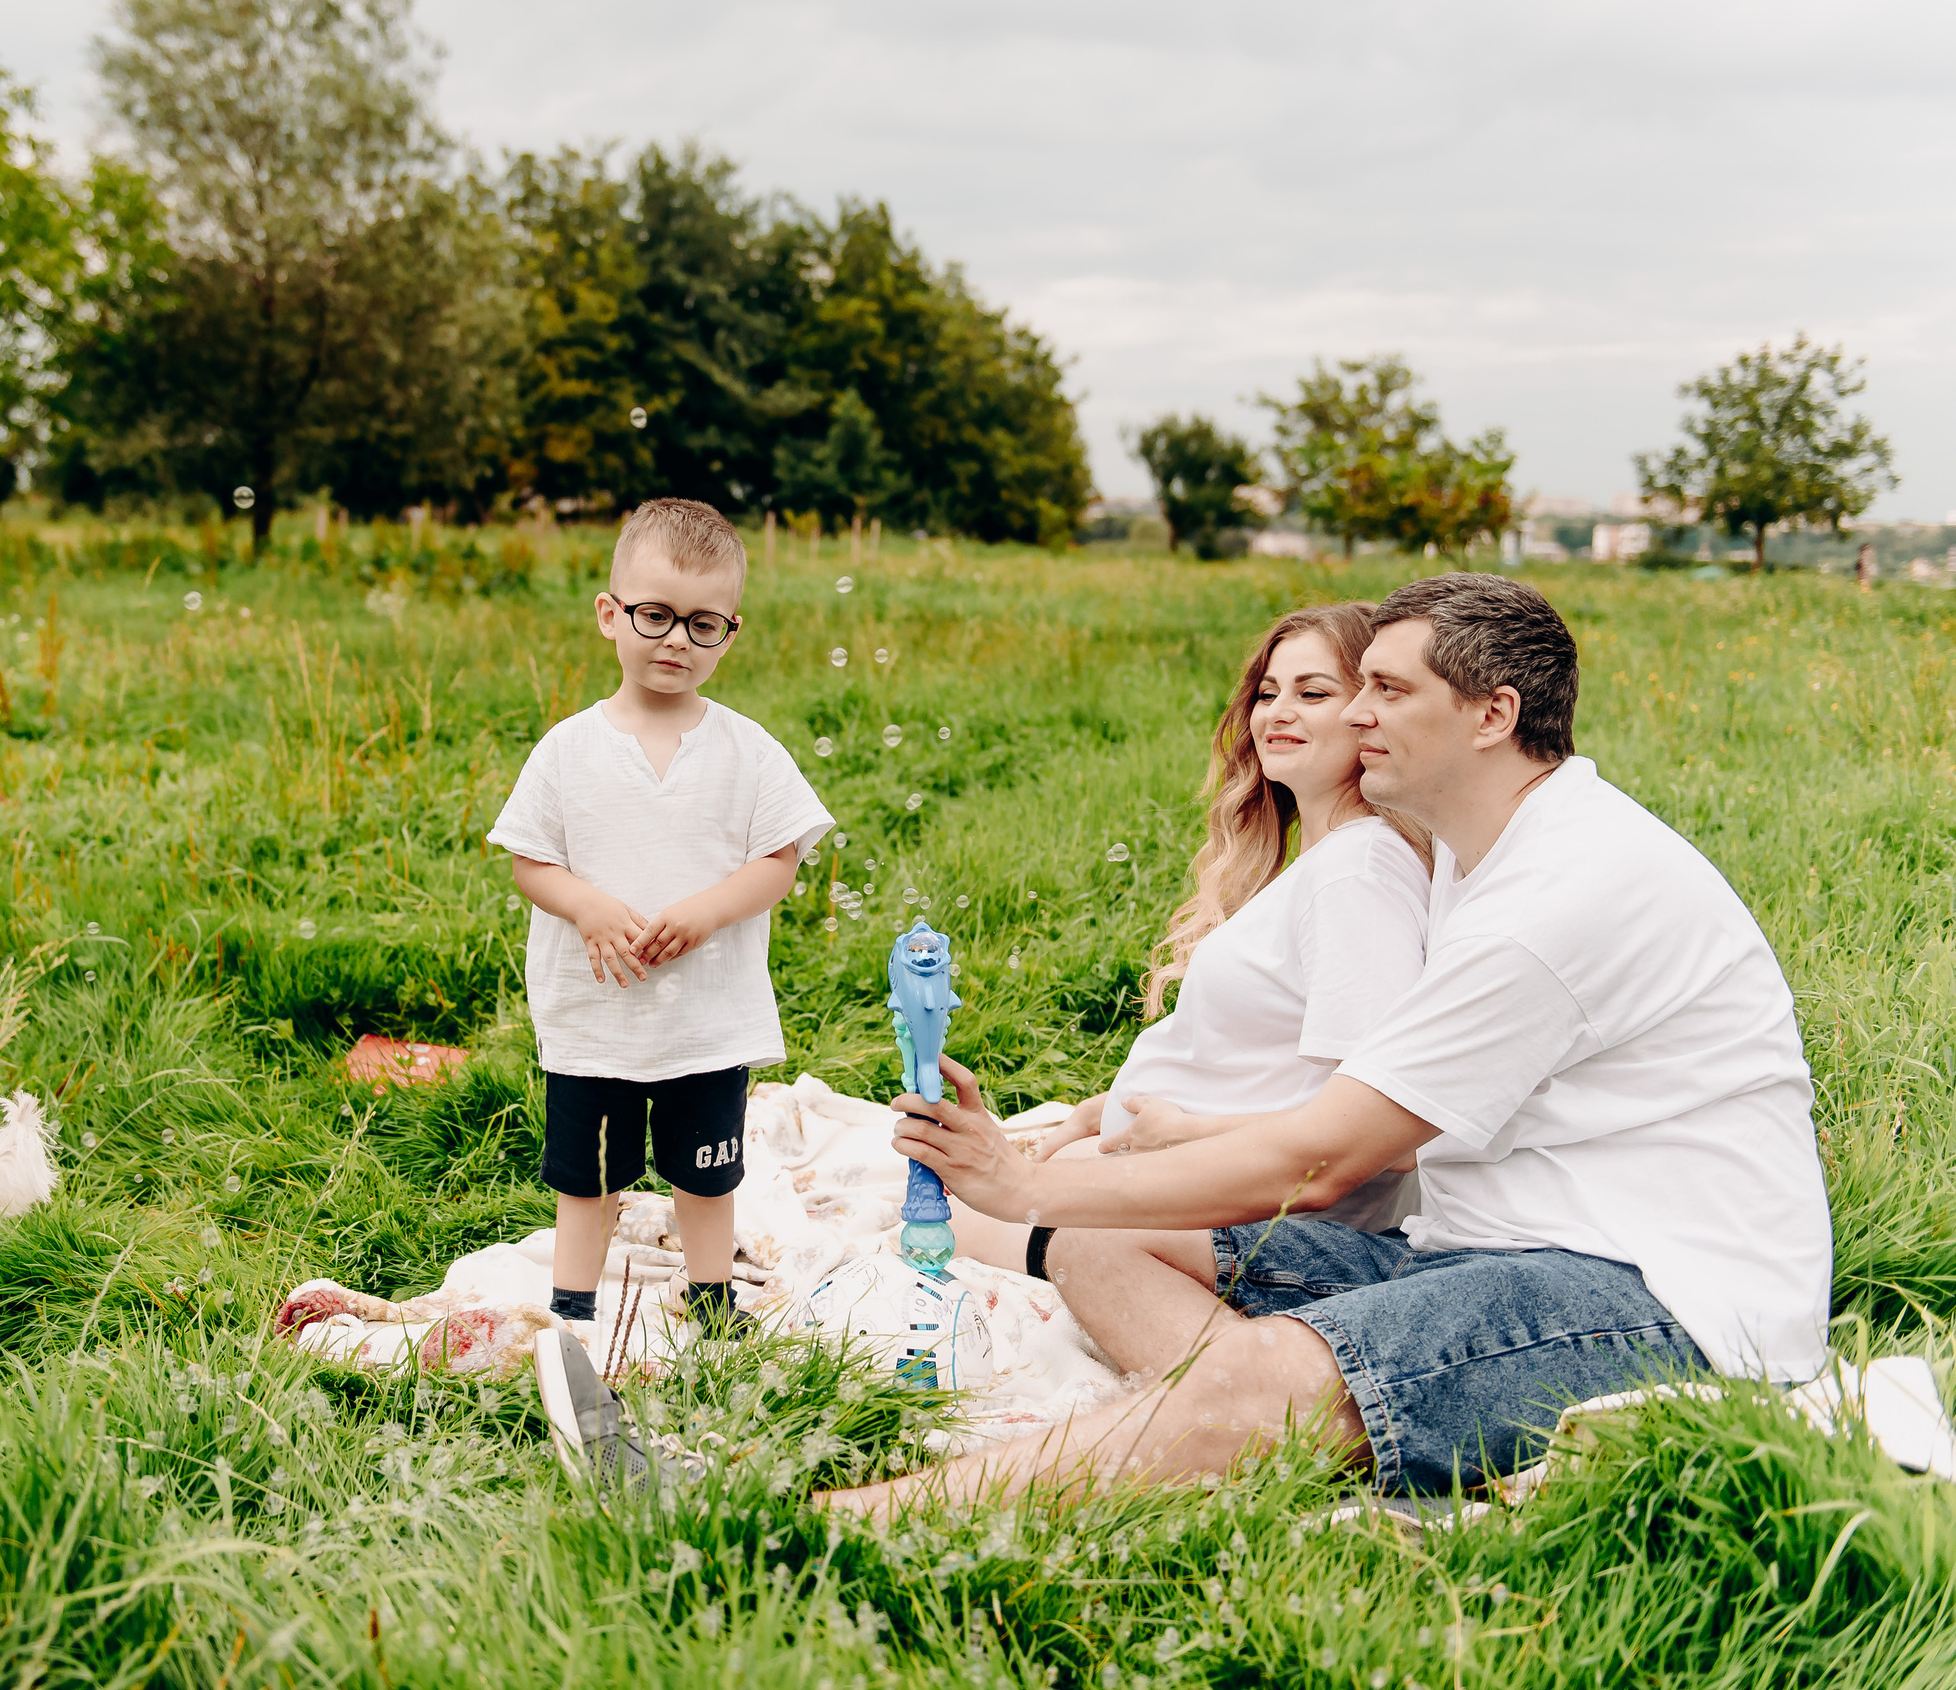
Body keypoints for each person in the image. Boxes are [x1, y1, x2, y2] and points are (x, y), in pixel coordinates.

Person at [826, 572, 1830, 1510]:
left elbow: (1329, 1154)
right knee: (1099, 1240)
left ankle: (859, 1521)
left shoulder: (1562, 891)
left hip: (1652, 1294)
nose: (1355, 714)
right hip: (1478, 1250)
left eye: (1386, 690)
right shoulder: (1485, 852)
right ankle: (1290, 1418)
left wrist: (1021, 1182)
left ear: (1492, 714)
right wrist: (1062, 1177)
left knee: (1248, 1371)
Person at [957, 602, 1430, 1289]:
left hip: (1264, 1223)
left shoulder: (1356, 875)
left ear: (1370, 714)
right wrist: (1104, 1111)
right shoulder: (1327, 863)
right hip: (1209, 1179)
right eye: (1268, 693)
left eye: (1313, 692)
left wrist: (1180, 1132)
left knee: (938, 1222)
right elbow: (1265, 1061)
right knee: (943, 1193)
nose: (1277, 713)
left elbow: (1385, 1142)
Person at [486, 498, 834, 1361]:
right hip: (595, 1019)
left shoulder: (749, 751)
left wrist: (707, 909)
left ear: (730, 633)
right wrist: (587, 903)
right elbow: (530, 861)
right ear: (611, 614)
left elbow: (780, 859)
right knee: (587, 1175)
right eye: (655, 614)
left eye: (703, 623)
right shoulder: (566, 750)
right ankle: (573, 1312)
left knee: (706, 1170)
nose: (676, 639)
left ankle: (712, 1299)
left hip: (705, 1020)